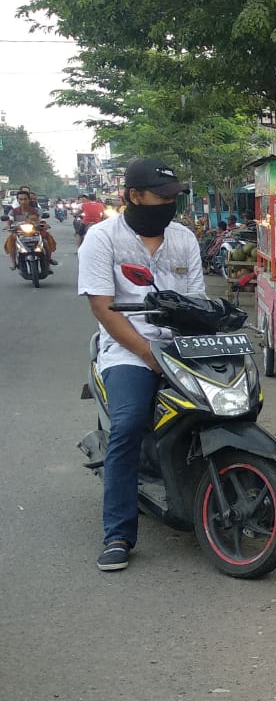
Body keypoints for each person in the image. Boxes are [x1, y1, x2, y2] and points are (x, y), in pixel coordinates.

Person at [78, 157, 204, 572]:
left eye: (174, 197)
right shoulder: (101, 239)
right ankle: (117, 532)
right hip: (128, 350)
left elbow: (198, 303)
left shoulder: (184, 239)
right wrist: (150, 356)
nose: (170, 204)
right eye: (162, 196)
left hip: (181, 347)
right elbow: (103, 309)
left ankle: (255, 501)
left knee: (231, 407)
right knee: (129, 424)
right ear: (134, 195)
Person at [4, 189, 58, 268]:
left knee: (46, 242)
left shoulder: (36, 210)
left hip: (35, 232)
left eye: (25, 199)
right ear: (17, 200)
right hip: (19, 233)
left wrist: (44, 225)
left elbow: (42, 220)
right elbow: (9, 221)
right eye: (21, 199)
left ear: (29, 199)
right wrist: (8, 226)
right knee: (11, 242)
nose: (23, 201)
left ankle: (48, 260)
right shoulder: (13, 211)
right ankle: (14, 262)